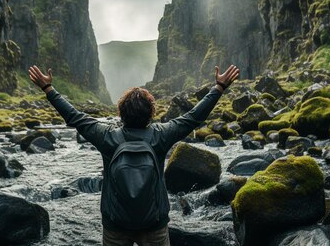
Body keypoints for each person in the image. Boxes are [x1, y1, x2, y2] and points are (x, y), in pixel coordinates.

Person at [28, 64, 240, 246]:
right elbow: (193, 118)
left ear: (121, 113)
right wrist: (219, 87)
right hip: (154, 224)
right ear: (150, 114)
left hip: (115, 224)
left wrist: (48, 88)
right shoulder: (161, 136)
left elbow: (75, 117)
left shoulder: (107, 137)